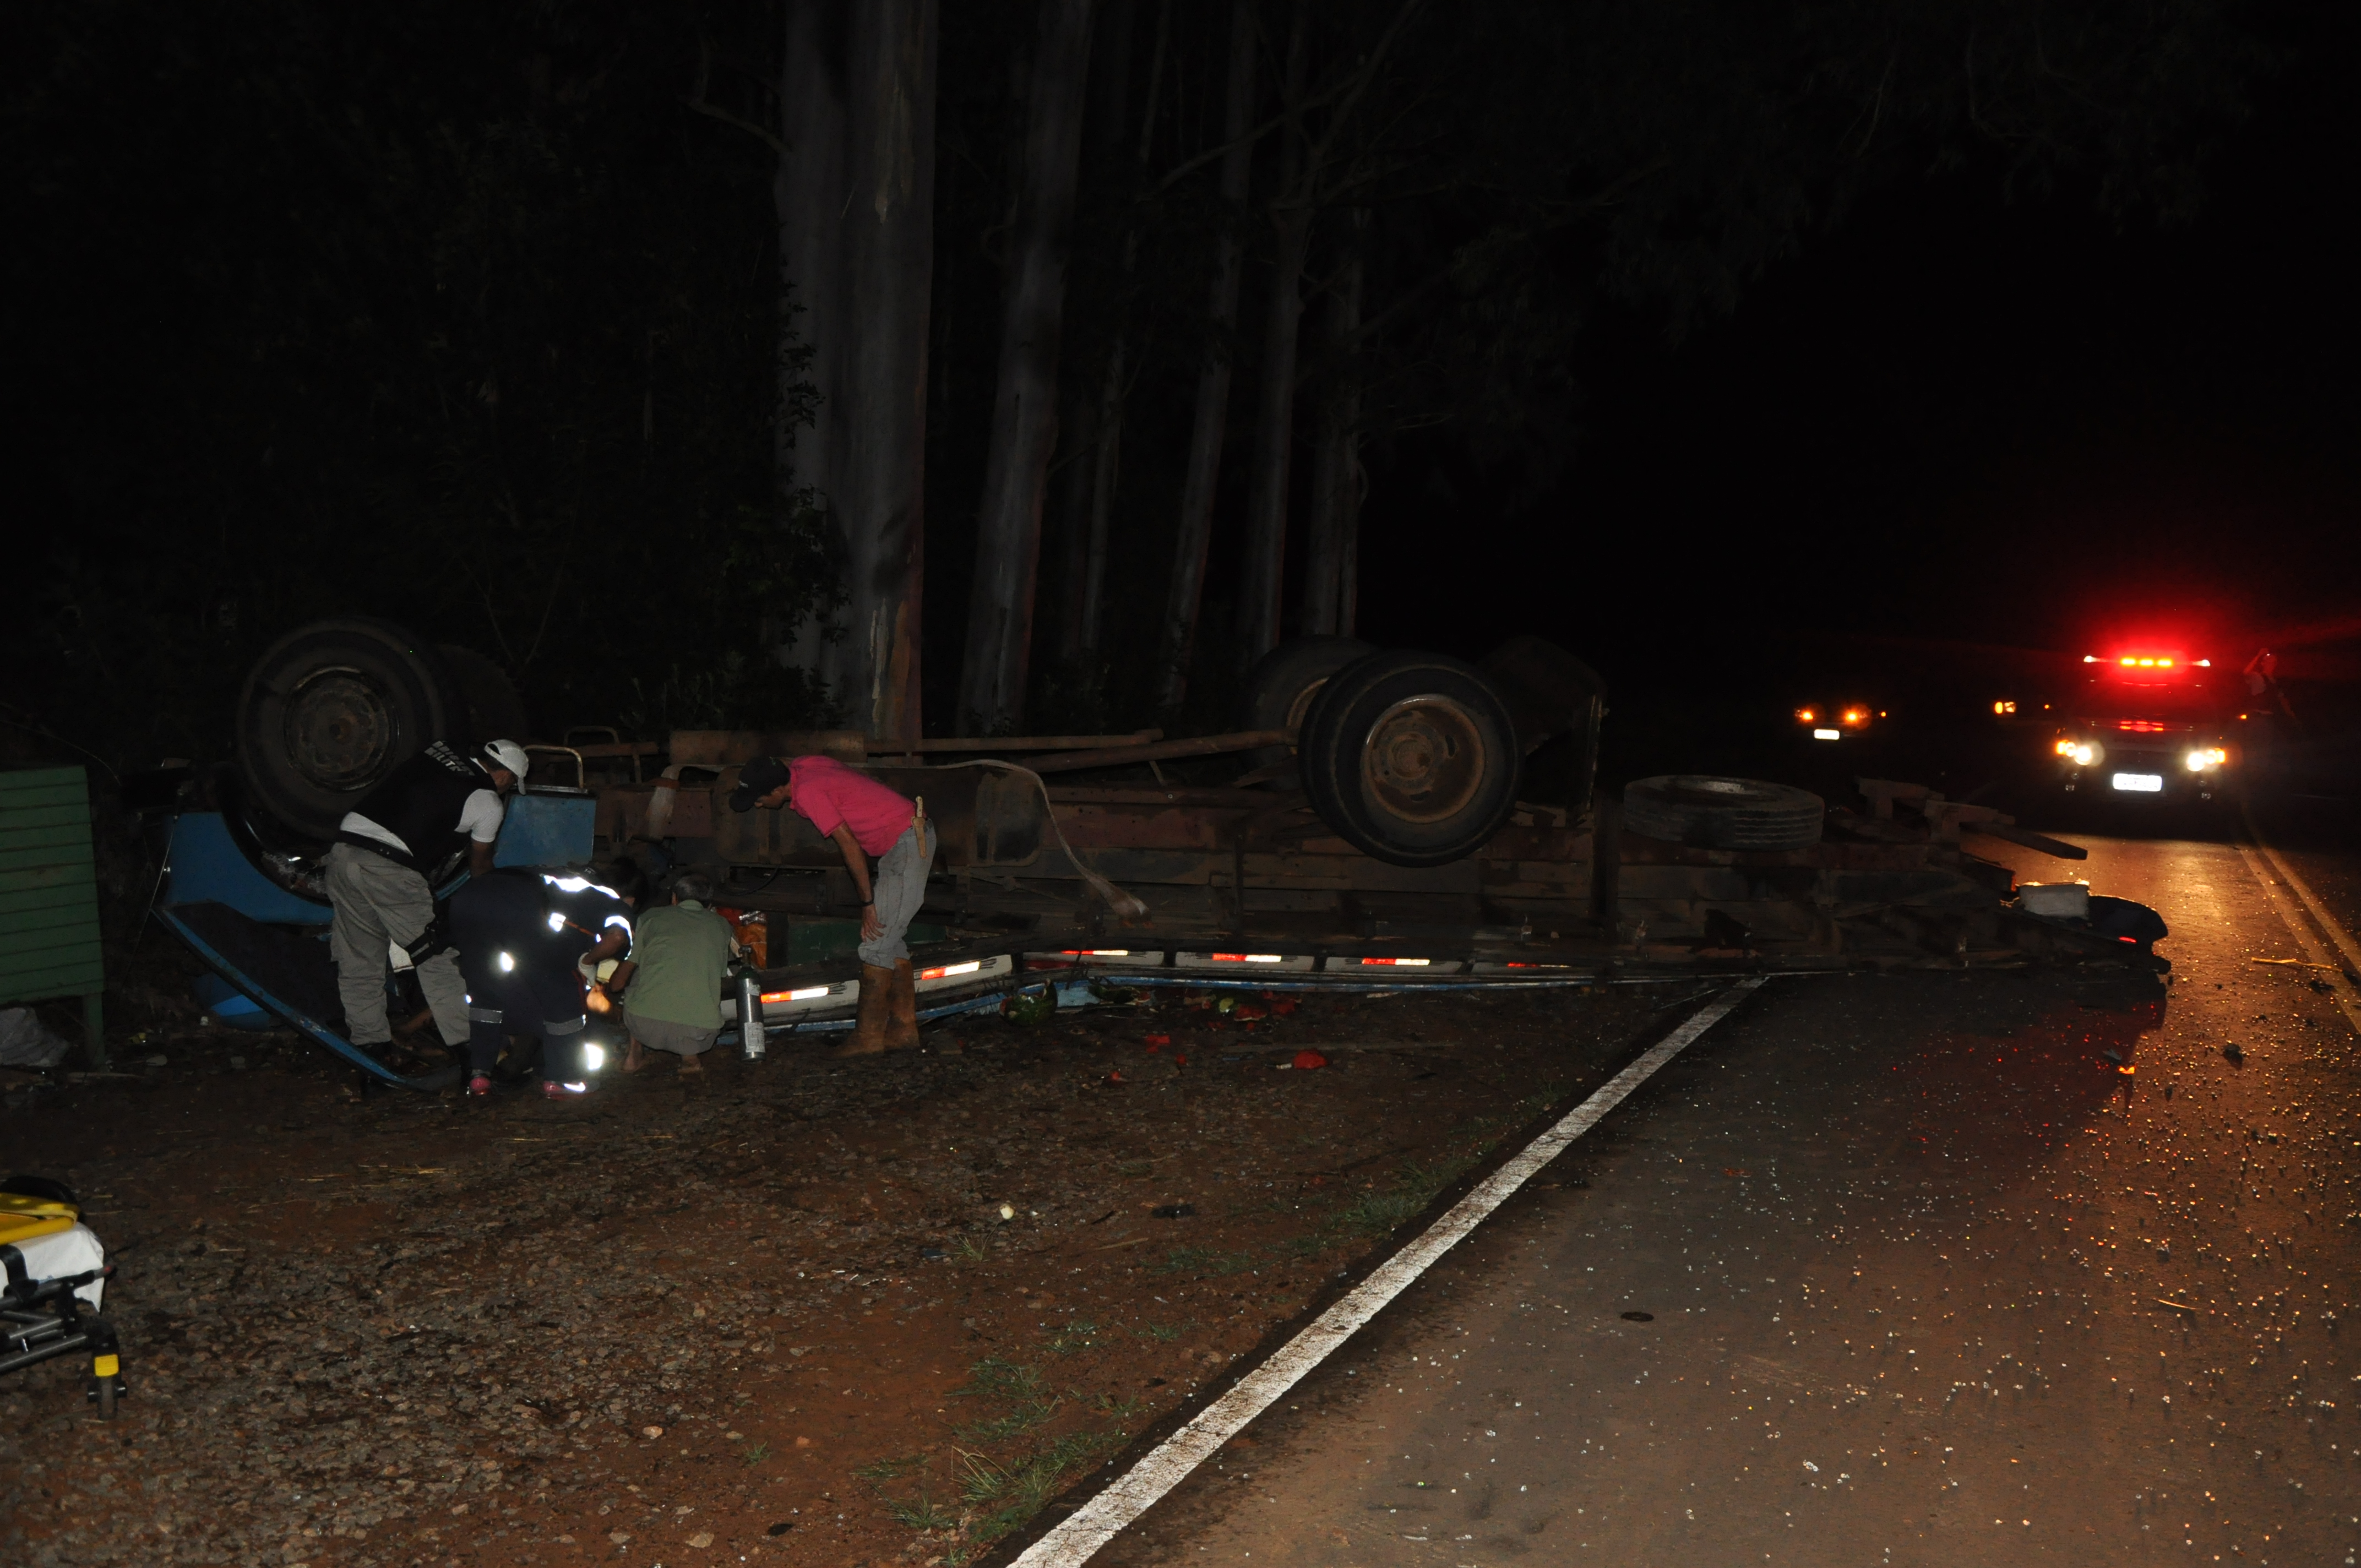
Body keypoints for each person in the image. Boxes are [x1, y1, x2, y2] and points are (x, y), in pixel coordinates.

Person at [327, 739, 527, 1061]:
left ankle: (372, 1052)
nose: (507, 789)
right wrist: (493, 901)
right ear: (505, 775)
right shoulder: (488, 800)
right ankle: (474, 1052)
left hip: (342, 853)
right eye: (511, 784)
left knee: (360, 960)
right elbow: (480, 864)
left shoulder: (435, 758)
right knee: (434, 953)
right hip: (390, 866)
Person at [728, 753, 931, 1055]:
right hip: (901, 840)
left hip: (906, 843)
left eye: (759, 799)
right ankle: (904, 1031)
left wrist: (867, 902)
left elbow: (848, 844)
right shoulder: (803, 766)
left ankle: (868, 1037)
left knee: (876, 942)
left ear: (778, 791)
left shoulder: (809, 792)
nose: (758, 805)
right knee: (891, 940)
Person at [448, 863, 640, 1098]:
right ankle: (563, 1079)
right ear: (630, 901)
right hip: (519, 902)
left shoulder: (566, 888)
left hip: (466, 899)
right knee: (565, 991)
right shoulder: (613, 902)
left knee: (487, 994)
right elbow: (617, 937)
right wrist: (588, 962)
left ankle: (479, 1075)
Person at [602, 872, 738, 1075]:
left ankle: (634, 1055)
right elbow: (720, 974)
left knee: (644, 971)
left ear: (674, 898)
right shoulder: (722, 925)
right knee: (700, 977)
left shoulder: (651, 917)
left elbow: (619, 982)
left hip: (643, 1025)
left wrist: (609, 986)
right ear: (709, 904)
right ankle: (689, 1058)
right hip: (699, 1034)